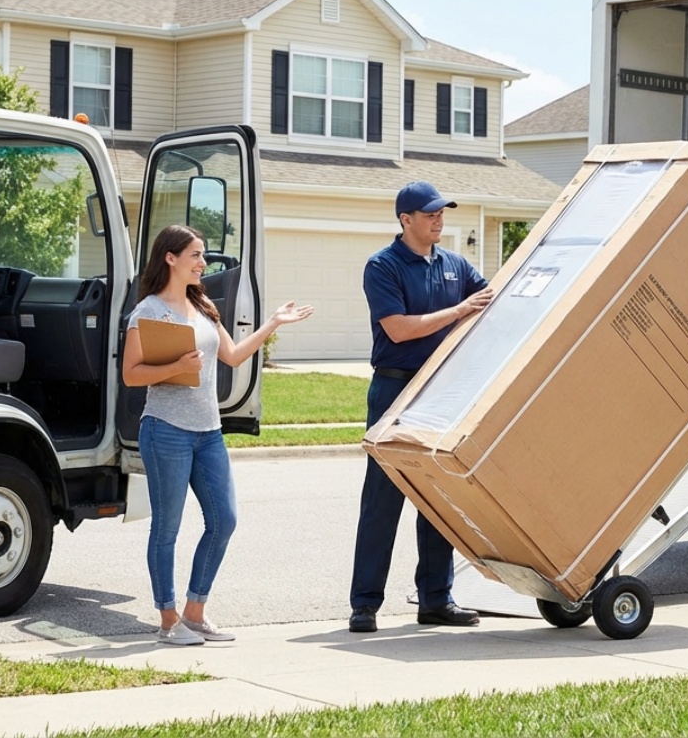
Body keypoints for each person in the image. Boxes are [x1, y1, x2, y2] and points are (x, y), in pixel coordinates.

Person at [123, 224, 313, 646]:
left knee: (223, 519)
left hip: (209, 432)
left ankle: (195, 611)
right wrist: (175, 368)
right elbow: (131, 374)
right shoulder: (149, 312)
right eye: (196, 255)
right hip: (166, 430)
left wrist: (272, 324)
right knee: (167, 528)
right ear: (170, 258)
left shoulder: (203, 305)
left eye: (203, 255)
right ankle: (168, 620)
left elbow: (232, 354)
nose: (203, 263)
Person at [348, 181, 494, 633]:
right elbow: (398, 330)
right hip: (395, 391)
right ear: (405, 219)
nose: (438, 219)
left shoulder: (455, 264)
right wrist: (458, 312)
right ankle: (365, 605)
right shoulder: (383, 266)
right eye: (429, 213)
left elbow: (493, 299)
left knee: (438, 498)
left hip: (442, 391)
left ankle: (436, 600)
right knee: (383, 499)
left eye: (441, 212)